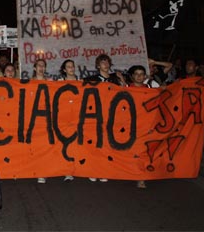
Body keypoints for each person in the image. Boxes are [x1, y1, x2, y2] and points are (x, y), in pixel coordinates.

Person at [87, 54, 125, 182]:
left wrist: (122, 80)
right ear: (98, 65)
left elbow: (126, 93)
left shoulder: (115, 79)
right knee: (96, 143)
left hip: (112, 115)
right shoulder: (91, 79)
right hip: (97, 115)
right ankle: (93, 170)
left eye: (107, 62)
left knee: (108, 144)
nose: (105, 64)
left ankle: (104, 170)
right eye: (103, 62)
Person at [126, 65, 159, 189]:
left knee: (143, 152)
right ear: (132, 76)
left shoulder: (151, 88)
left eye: (142, 74)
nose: (139, 76)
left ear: (145, 76)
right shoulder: (126, 89)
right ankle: (130, 172)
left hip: (146, 126)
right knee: (131, 152)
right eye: (136, 74)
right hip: (130, 126)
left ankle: (141, 178)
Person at [58, 59, 79, 182]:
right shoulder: (60, 82)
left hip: (77, 116)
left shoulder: (81, 82)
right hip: (64, 117)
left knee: (76, 144)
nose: (71, 68)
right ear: (64, 70)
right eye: (69, 67)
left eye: (73, 66)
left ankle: (76, 169)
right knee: (65, 143)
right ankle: (67, 170)